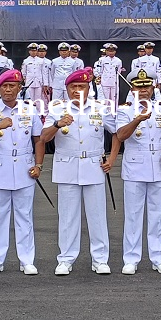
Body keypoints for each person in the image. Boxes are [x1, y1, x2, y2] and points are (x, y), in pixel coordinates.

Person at [37, 68, 114, 275]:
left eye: (81, 86)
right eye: (73, 87)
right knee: (68, 217)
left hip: (93, 166)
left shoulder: (100, 108)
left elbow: (117, 132)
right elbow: (44, 138)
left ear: (89, 89)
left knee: (97, 216)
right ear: (67, 89)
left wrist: (112, 158)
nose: (77, 90)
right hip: (67, 167)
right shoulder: (57, 109)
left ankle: (100, 259)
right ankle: (65, 259)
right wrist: (57, 124)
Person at [0, 69, 41, 275]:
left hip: (24, 168)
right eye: (4, 86)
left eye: (13, 86)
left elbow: (38, 139)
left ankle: (27, 260)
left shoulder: (29, 109)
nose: (8, 89)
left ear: (20, 88)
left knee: (25, 216)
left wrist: (39, 165)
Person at [108, 69, 161, 274]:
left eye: (147, 86)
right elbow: (121, 135)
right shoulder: (125, 110)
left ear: (153, 87)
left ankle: (158, 257)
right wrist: (137, 119)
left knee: (157, 215)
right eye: (139, 86)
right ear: (132, 89)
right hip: (135, 168)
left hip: (157, 166)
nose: (143, 90)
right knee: (133, 215)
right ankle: (131, 258)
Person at [94, 43, 123, 109]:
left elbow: (119, 71)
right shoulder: (102, 60)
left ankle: (114, 111)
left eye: (112, 51)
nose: (111, 53)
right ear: (106, 51)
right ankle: (105, 111)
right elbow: (101, 70)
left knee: (114, 98)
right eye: (109, 51)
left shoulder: (118, 60)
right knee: (106, 99)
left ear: (115, 52)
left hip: (114, 81)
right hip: (105, 81)